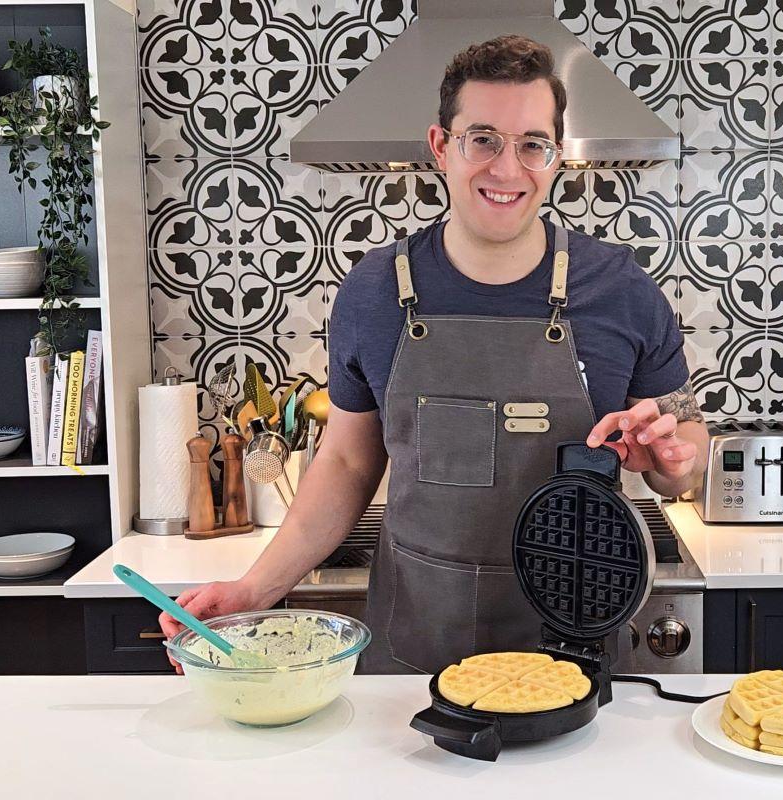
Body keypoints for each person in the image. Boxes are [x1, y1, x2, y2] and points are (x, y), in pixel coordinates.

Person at [159, 34, 709, 674]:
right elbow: (345, 462)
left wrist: (670, 458)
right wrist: (253, 591)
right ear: (441, 146)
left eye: (532, 144)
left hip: (569, 656)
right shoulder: (371, 293)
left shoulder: (622, 291)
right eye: (483, 140)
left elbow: (685, 452)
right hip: (412, 656)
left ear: (556, 157)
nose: (508, 170)